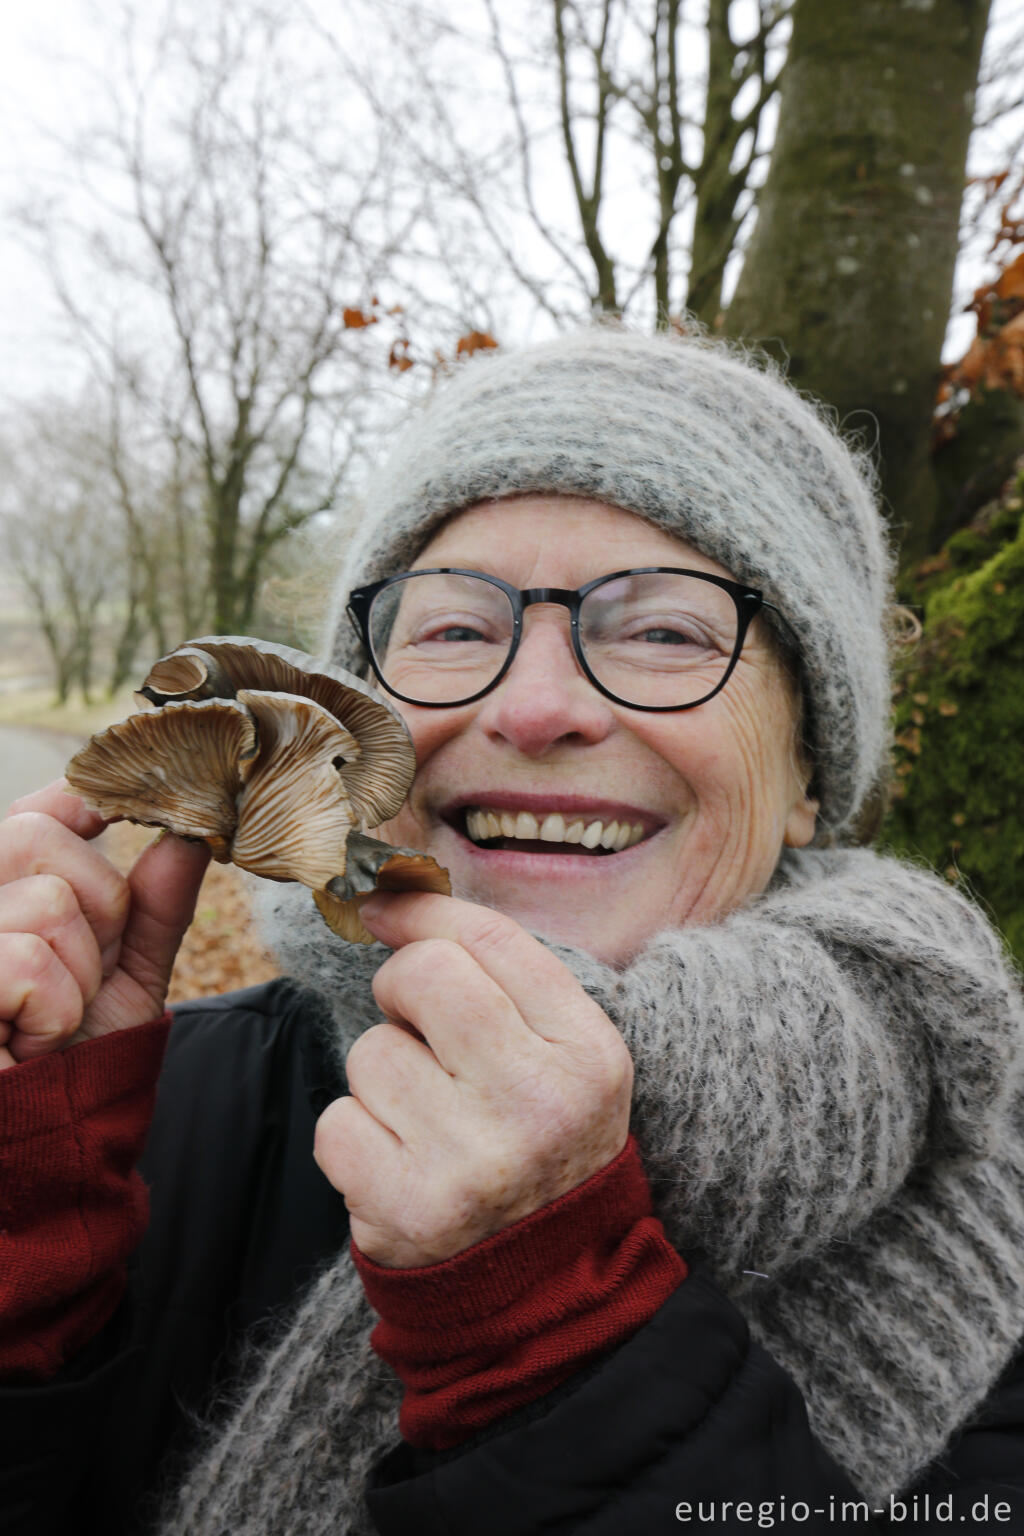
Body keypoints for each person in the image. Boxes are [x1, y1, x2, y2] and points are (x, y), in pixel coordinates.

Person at [2, 327, 1023, 1536]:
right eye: (453, 628)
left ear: (807, 771)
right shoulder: (140, 1112)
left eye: (663, 631)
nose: (533, 705)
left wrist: (557, 1345)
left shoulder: (982, 1204)